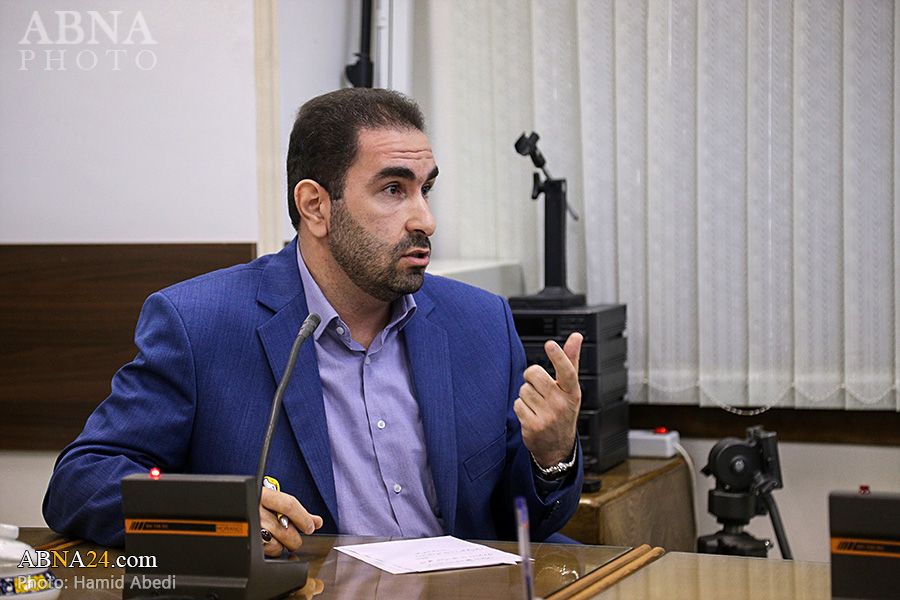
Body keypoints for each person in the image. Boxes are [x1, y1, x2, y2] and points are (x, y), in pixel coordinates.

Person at [43, 88, 584, 555]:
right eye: (393, 190)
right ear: (315, 206)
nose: (425, 218)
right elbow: (81, 479)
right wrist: (219, 518)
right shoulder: (199, 323)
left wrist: (552, 457)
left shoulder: (480, 321)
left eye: (426, 189)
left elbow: (518, 521)